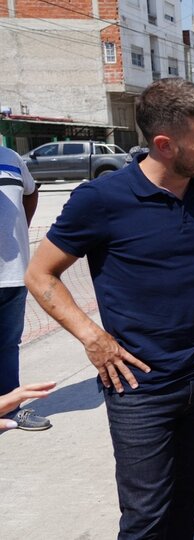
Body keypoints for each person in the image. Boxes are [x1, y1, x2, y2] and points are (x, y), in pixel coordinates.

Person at [25, 78, 194, 538]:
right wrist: (94, 339)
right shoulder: (101, 200)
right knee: (145, 516)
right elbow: (40, 275)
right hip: (140, 386)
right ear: (164, 144)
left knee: (189, 498)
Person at [0, 145, 51, 431]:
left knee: (8, 346)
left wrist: (23, 227)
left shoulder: (11, 158)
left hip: (13, 273)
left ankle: (11, 408)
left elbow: (30, 193)